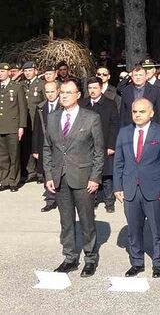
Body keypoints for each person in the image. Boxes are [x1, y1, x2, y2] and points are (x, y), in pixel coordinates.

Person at [42, 80, 105, 277]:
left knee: (86, 220)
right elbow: (47, 148)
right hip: (59, 176)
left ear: (78, 95)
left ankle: (90, 259)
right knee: (66, 221)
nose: (64, 96)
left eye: (69, 92)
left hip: (83, 177)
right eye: (62, 92)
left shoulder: (91, 118)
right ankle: (69, 257)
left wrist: (95, 177)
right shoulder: (52, 118)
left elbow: (99, 150)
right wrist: (49, 174)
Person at [113, 98, 160, 278]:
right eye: (135, 112)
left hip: (154, 189)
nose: (138, 115)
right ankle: (137, 262)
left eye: (142, 111)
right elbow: (118, 162)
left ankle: (158, 263)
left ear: (151, 113)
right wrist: (118, 186)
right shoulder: (124, 133)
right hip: (130, 188)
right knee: (133, 229)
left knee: (157, 229)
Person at [81, 77, 120, 213]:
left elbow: (115, 126)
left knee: (107, 175)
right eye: (90, 88)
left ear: (101, 88)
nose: (92, 91)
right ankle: (94, 200)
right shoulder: (83, 104)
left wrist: (112, 145)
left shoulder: (110, 104)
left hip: (105, 144)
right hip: (87, 146)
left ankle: (109, 202)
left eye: (95, 88)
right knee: (91, 174)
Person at [32, 81, 61, 211]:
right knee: (47, 172)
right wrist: (35, 149)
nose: (49, 95)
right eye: (47, 92)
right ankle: (50, 200)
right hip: (45, 145)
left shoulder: (63, 105)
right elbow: (37, 129)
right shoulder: (41, 107)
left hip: (60, 144)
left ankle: (62, 199)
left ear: (58, 91)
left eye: (52, 91)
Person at [0, 62, 28, 191]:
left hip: (12, 126)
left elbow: (22, 108)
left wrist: (21, 126)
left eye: (3, 71)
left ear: (9, 73)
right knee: (2, 156)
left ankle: (13, 181)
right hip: (1, 127)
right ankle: (4, 180)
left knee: (14, 155)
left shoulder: (16, 87)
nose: (1, 73)